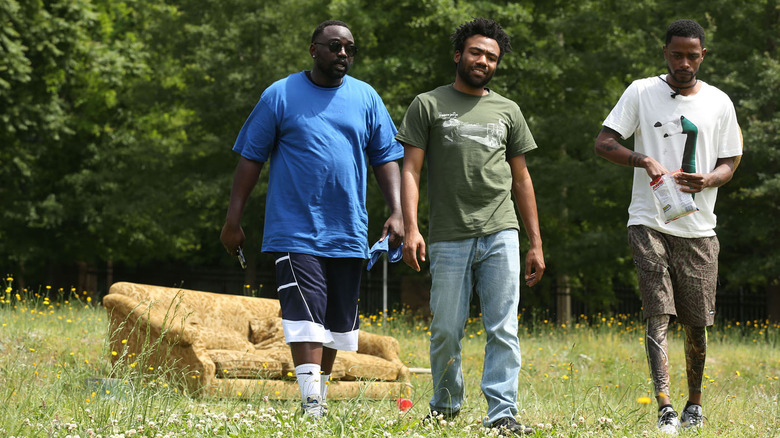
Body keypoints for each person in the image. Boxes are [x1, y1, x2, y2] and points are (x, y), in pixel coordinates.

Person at [220, 19, 403, 419]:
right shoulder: (279, 94)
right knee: (305, 313)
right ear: (313, 49)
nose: (343, 54)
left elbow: (386, 157)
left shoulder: (366, 97)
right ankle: (312, 403)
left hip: (348, 230)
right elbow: (250, 158)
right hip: (294, 228)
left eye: (350, 48)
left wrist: (398, 212)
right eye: (335, 46)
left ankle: (316, 396)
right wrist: (233, 220)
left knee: (337, 322)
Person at [397, 18, 545, 436]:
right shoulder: (427, 104)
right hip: (448, 234)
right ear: (459, 54)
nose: (484, 61)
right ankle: (445, 405)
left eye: (492, 57)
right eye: (477, 52)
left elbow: (522, 179)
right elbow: (410, 169)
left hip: (501, 230)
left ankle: (502, 412)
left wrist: (535, 243)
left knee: (503, 326)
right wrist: (412, 228)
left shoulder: (508, 110)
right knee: (446, 327)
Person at [594, 19, 742, 435]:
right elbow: (604, 142)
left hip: (698, 228)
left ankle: (694, 404)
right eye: (676, 54)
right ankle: (665, 407)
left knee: (697, 324)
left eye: (692, 55)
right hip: (649, 221)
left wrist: (709, 179)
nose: (684, 62)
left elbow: (730, 161)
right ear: (665, 52)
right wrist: (641, 159)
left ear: (703, 56)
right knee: (658, 314)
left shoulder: (720, 102)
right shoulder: (641, 91)